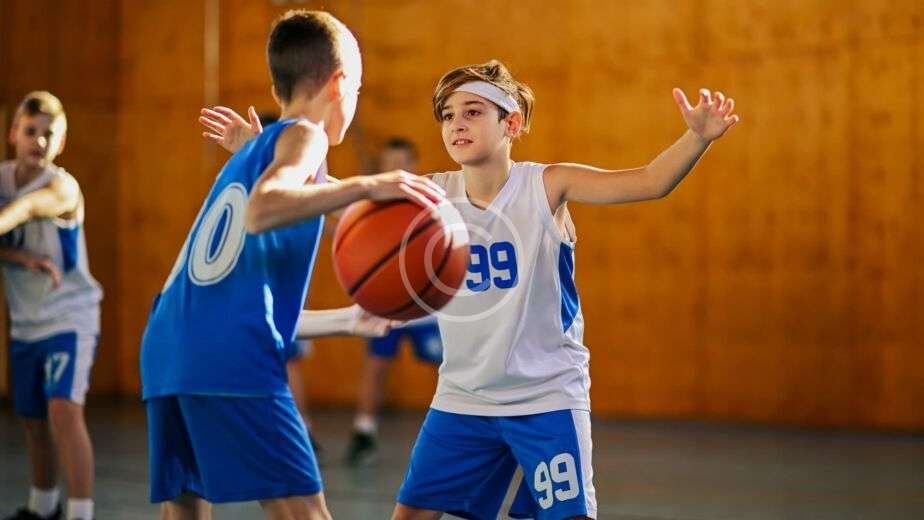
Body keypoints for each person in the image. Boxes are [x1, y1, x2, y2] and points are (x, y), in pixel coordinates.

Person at [390, 60, 739, 520]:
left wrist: (697, 137)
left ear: (511, 123)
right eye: (448, 115)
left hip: (546, 396)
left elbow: (650, 182)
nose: (457, 124)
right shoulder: (431, 193)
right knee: (412, 515)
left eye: (473, 112)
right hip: (463, 395)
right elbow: (349, 200)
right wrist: (293, 162)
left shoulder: (547, 185)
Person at [140, 10, 443, 520]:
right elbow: (263, 208)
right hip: (228, 353)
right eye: (358, 89)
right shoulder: (307, 135)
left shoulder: (263, 151)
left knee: (185, 509)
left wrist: (347, 319)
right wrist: (368, 184)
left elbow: (240, 302)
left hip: (169, 344)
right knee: (307, 512)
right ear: (339, 83)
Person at [0, 91, 103, 520]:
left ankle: (80, 513)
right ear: (13, 133)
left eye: (49, 134)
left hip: (69, 316)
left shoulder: (63, 186)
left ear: (61, 143)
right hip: (25, 321)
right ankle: (42, 507)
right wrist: (18, 256)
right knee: (32, 418)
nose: (38, 141)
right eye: (31, 131)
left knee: (63, 410)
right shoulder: (2, 178)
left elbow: (28, 207)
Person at [346, 137, 443, 466]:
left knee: (447, 371)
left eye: (402, 162)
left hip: (425, 308)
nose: (397, 168)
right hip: (385, 306)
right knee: (375, 366)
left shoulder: (432, 202)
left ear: (414, 165)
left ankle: (452, 431)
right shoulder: (370, 204)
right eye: (390, 162)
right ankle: (364, 431)